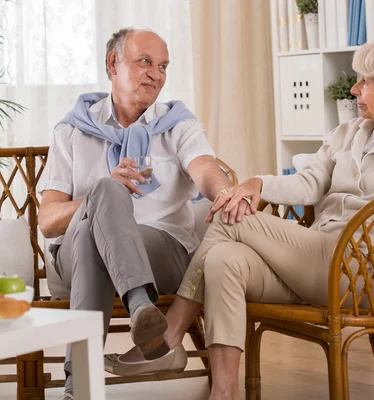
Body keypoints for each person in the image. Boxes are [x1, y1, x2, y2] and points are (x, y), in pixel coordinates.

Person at [109, 35, 374, 400]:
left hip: (359, 273)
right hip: (316, 262)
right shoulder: (349, 133)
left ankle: (170, 336)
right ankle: (225, 391)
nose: (355, 88)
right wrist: (257, 184)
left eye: (366, 81)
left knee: (234, 217)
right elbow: (308, 184)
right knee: (222, 260)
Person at [37, 27, 248, 399]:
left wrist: (225, 191)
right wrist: (100, 197)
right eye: (145, 61)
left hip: (160, 251)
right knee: (99, 204)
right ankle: (142, 310)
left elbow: (205, 170)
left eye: (164, 66)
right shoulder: (72, 130)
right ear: (113, 63)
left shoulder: (177, 123)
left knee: (91, 237)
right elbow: (48, 220)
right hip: (74, 256)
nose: (156, 73)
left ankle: (78, 389)